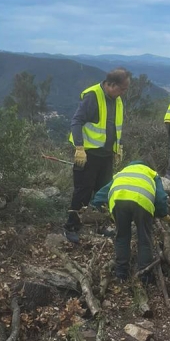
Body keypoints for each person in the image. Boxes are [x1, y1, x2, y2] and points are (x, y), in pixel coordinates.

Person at [64, 68, 132, 244]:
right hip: (88, 155)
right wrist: (79, 148)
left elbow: (115, 126)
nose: (124, 92)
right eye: (122, 89)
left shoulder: (117, 100)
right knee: (83, 192)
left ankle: (99, 224)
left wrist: (117, 148)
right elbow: (76, 121)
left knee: (103, 192)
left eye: (125, 89)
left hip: (106, 154)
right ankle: (71, 226)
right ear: (110, 84)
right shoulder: (93, 96)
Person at [91, 160, 170, 282]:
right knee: (144, 237)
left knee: (122, 236)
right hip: (142, 200)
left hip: (118, 200)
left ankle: (121, 272)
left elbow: (100, 195)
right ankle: (145, 274)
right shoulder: (152, 173)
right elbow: (161, 198)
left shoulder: (122, 173)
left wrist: (97, 207)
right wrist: (163, 213)